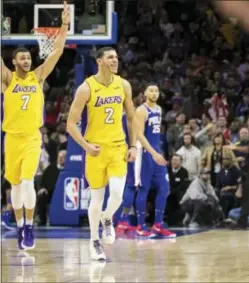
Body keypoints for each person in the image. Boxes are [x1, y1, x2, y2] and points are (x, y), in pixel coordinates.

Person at [67, 48, 166, 260]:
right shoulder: (86, 88)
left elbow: (132, 119)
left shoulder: (123, 85)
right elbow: (70, 124)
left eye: (116, 57)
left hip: (117, 147)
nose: (115, 60)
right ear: (99, 61)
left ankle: (107, 218)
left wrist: (132, 146)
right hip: (95, 150)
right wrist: (85, 146)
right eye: (110, 57)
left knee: (118, 194)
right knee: (96, 198)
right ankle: (94, 241)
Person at [1, 1, 70, 250]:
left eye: (29, 57)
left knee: (28, 182)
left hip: (31, 137)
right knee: (16, 186)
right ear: (14, 61)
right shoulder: (7, 79)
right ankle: (20, 227)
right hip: (11, 138)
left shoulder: (38, 76)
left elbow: (58, 50)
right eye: (22, 58)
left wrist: (64, 24)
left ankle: (29, 226)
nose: (27, 60)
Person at [116, 83, 176, 238]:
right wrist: (153, 153)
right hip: (144, 153)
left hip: (156, 151)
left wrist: (158, 151)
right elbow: (139, 135)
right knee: (141, 188)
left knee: (165, 187)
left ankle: (158, 224)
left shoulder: (159, 109)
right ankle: (140, 225)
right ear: (144, 93)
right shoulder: (141, 110)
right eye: (151, 90)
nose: (154, 93)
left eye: (157, 91)